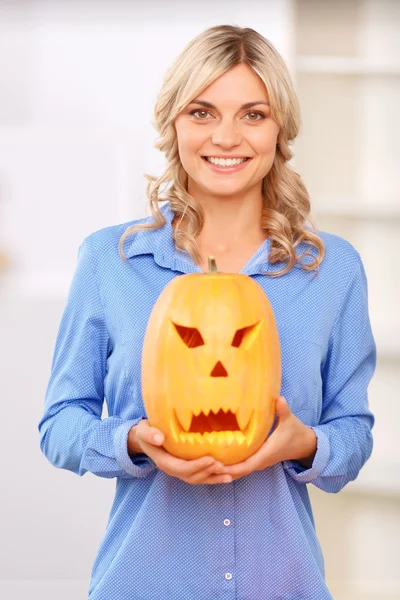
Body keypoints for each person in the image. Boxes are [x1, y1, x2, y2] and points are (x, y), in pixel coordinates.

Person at [38, 25, 376, 600]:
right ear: (174, 123)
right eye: (202, 112)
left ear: (280, 129)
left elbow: (354, 432)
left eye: (252, 114)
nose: (226, 136)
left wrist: (305, 445)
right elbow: (59, 425)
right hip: (144, 583)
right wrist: (135, 442)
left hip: (283, 584)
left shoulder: (331, 270)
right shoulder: (109, 261)